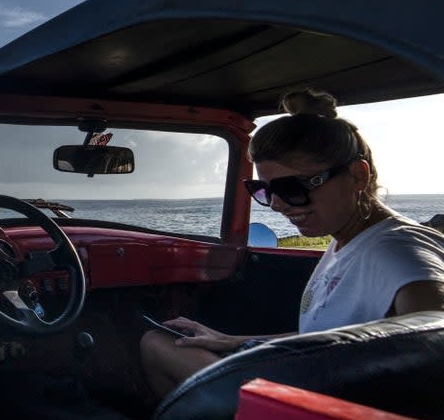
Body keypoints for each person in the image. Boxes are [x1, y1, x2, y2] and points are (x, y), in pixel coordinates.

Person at [141, 89, 444, 399]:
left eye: (291, 188)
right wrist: (231, 341)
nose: (275, 205)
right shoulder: (348, 240)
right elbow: (324, 338)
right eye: (263, 190)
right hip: (311, 384)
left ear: (357, 176)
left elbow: (433, 342)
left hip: (324, 409)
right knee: (160, 343)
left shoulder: (398, 249)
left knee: (159, 348)